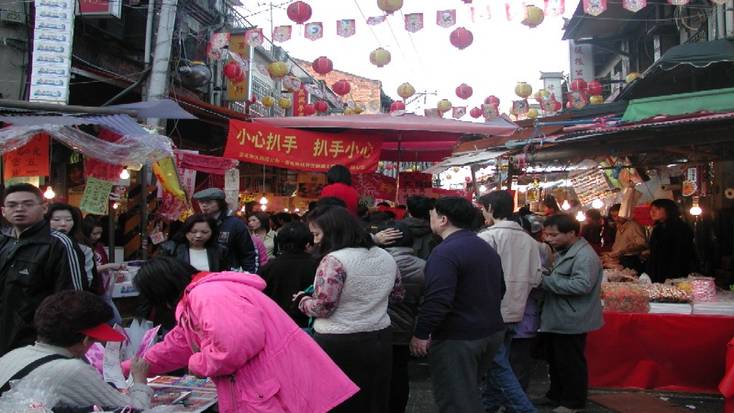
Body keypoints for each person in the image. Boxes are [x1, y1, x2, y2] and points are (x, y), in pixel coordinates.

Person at [132, 257, 359, 413]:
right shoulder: (198, 296)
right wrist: (127, 368)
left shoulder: (208, 295)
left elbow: (233, 347)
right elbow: (179, 343)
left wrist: (197, 363)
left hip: (268, 392)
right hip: (263, 390)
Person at [297, 206, 403, 413]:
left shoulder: (334, 261)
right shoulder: (385, 256)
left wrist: (302, 300)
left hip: (339, 342)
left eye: (317, 234)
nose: (316, 241)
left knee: (340, 401)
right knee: (374, 399)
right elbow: (398, 295)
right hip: (380, 338)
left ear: (333, 231)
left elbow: (323, 307)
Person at [410, 197, 505, 413]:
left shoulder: (445, 252)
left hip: (459, 338)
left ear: (443, 220)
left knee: (456, 400)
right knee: (468, 393)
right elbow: (501, 289)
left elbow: (437, 299)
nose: (430, 220)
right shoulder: (484, 247)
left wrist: (422, 333)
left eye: (432, 216)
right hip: (489, 331)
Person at [0, 290, 152, 409]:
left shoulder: (14, 354)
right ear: (85, 339)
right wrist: (139, 380)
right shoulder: (72, 370)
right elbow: (134, 409)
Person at [0, 184, 88, 356]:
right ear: (3, 211)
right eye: (12, 205)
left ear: (44, 208)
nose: (19, 209)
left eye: (28, 204)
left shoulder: (59, 244)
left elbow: (73, 299)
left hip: (36, 345)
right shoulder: (4, 243)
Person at [477, 191, 541, 413]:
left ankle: (525, 409)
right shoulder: (530, 241)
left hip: (492, 312)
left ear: (491, 208)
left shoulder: (487, 238)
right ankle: (489, 404)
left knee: (498, 366)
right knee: (497, 363)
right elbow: (537, 278)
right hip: (517, 309)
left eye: (483, 208)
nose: (483, 213)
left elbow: (479, 278)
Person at [539, 214, 604, 413]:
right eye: (546, 234)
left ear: (572, 233)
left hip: (572, 316)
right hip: (560, 315)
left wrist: (545, 281)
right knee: (556, 359)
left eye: (554, 235)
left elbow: (581, 285)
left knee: (570, 361)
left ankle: (572, 402)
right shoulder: (565, 251)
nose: (548, 239)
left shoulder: (584, 256)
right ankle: (556, 394)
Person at [373, 220, 425, 413]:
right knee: (399, 374)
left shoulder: (374, 264)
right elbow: (425, 303)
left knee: (376, 377)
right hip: (405, 331)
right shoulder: (424, 266)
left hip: (377, 329)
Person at [259, 221, 318, 327]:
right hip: (307, 324)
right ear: (308, 243)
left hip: (275, 324)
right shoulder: (318, 265)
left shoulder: (268, 268)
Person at [193, 187, 258, 273]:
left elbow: (248, 254)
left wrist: (249, 277)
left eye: (208, 202)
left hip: (228, 276)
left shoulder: (235, 224)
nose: (204, 205)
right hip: (200, 275)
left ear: (220, 203)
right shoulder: (195, 222)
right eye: (200, 202)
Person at [46, 204, 98, 291]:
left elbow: (87, 280)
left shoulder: (84, 249)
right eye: (56, 220)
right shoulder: (38, 245)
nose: (63, 224)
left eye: (68, 220)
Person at [647, 198, 697, 283]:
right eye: (651, 210)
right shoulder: (657, 228)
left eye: (657, 209)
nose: (652, 212)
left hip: (675, 272)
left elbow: (682, 253)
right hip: (657, 271)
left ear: (668, 210)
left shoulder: (681, 228)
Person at [158, 214, 228, 272]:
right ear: (185, 232)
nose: (198, 236)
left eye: (204, 232)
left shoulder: (219, 251)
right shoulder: (172, 249)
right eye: (193, 232)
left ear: (212, 232)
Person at [607, 203, 647, 273]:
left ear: (625, 214)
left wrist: (623, 251)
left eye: (618, 216)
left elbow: (643, 245)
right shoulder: (619, 226)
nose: (616, 219)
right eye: (613, 216)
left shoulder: (634, 226)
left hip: (632, 260)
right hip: (621, 260)